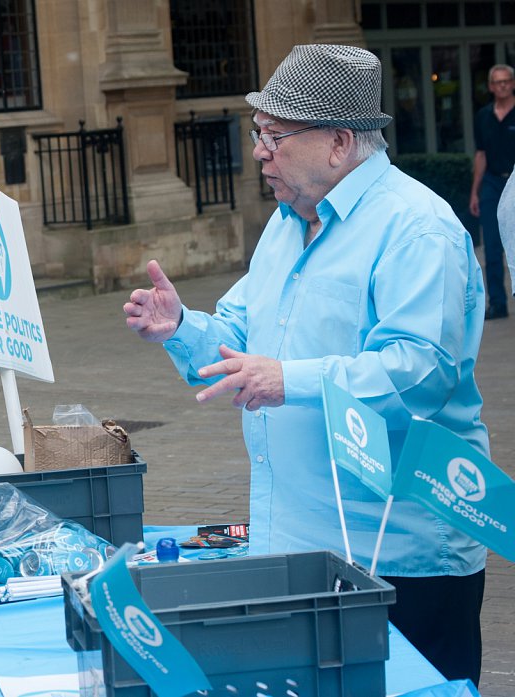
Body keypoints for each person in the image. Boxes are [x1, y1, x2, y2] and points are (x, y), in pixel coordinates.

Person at [124, 44, 488, 685]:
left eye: (275, 135)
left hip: (396, 554)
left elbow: (419, 371)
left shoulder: (416, 229)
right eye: (258, 133)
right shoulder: (286, 224)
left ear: (340, 142)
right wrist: (182, 328)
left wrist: (289, 379)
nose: (259, 151)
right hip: (298, 545)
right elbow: (240, 339)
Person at [470, 63, 515, 320]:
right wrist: (475, 191)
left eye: (506, 81)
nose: (502, 85)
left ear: (512, 83)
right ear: (490, 86)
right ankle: (497, 302)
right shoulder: (483, 117)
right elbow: (481, 154)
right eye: (497, 82)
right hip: (492, 183)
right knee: (492, 246)